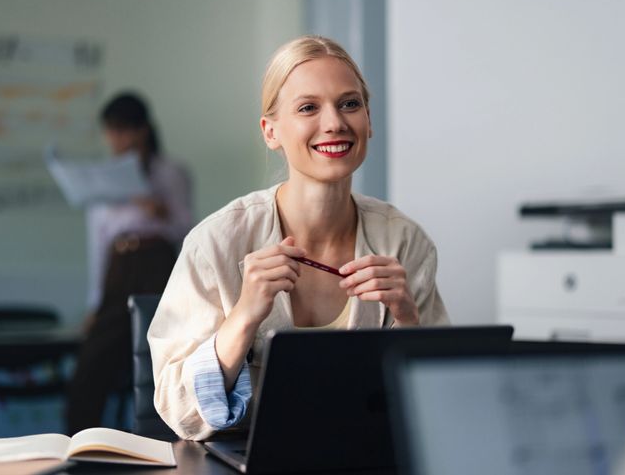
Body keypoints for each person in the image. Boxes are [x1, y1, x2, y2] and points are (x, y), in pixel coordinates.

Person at [148, 35, 450, 440]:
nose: (335, 123)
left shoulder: (405, 241)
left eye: (350, 104)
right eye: (309, 107)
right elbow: (177, 409)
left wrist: (408, 322)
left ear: (369, 120)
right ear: (270, 132)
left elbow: (443, 405)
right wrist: (244, 315)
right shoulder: (215, 243)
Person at [66, 92, 193, 434]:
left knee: (162, 354)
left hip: (158, 262)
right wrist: (95, 301)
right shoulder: (103, 178)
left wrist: (160, 210)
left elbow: (188, 228)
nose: (117, 139)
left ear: (141, 130)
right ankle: (80, 447)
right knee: (92, 363)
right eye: (111, 131)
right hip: (119, 268)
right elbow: (99, 243)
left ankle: (165, 441)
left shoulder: (169, 172)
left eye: (123, 130)